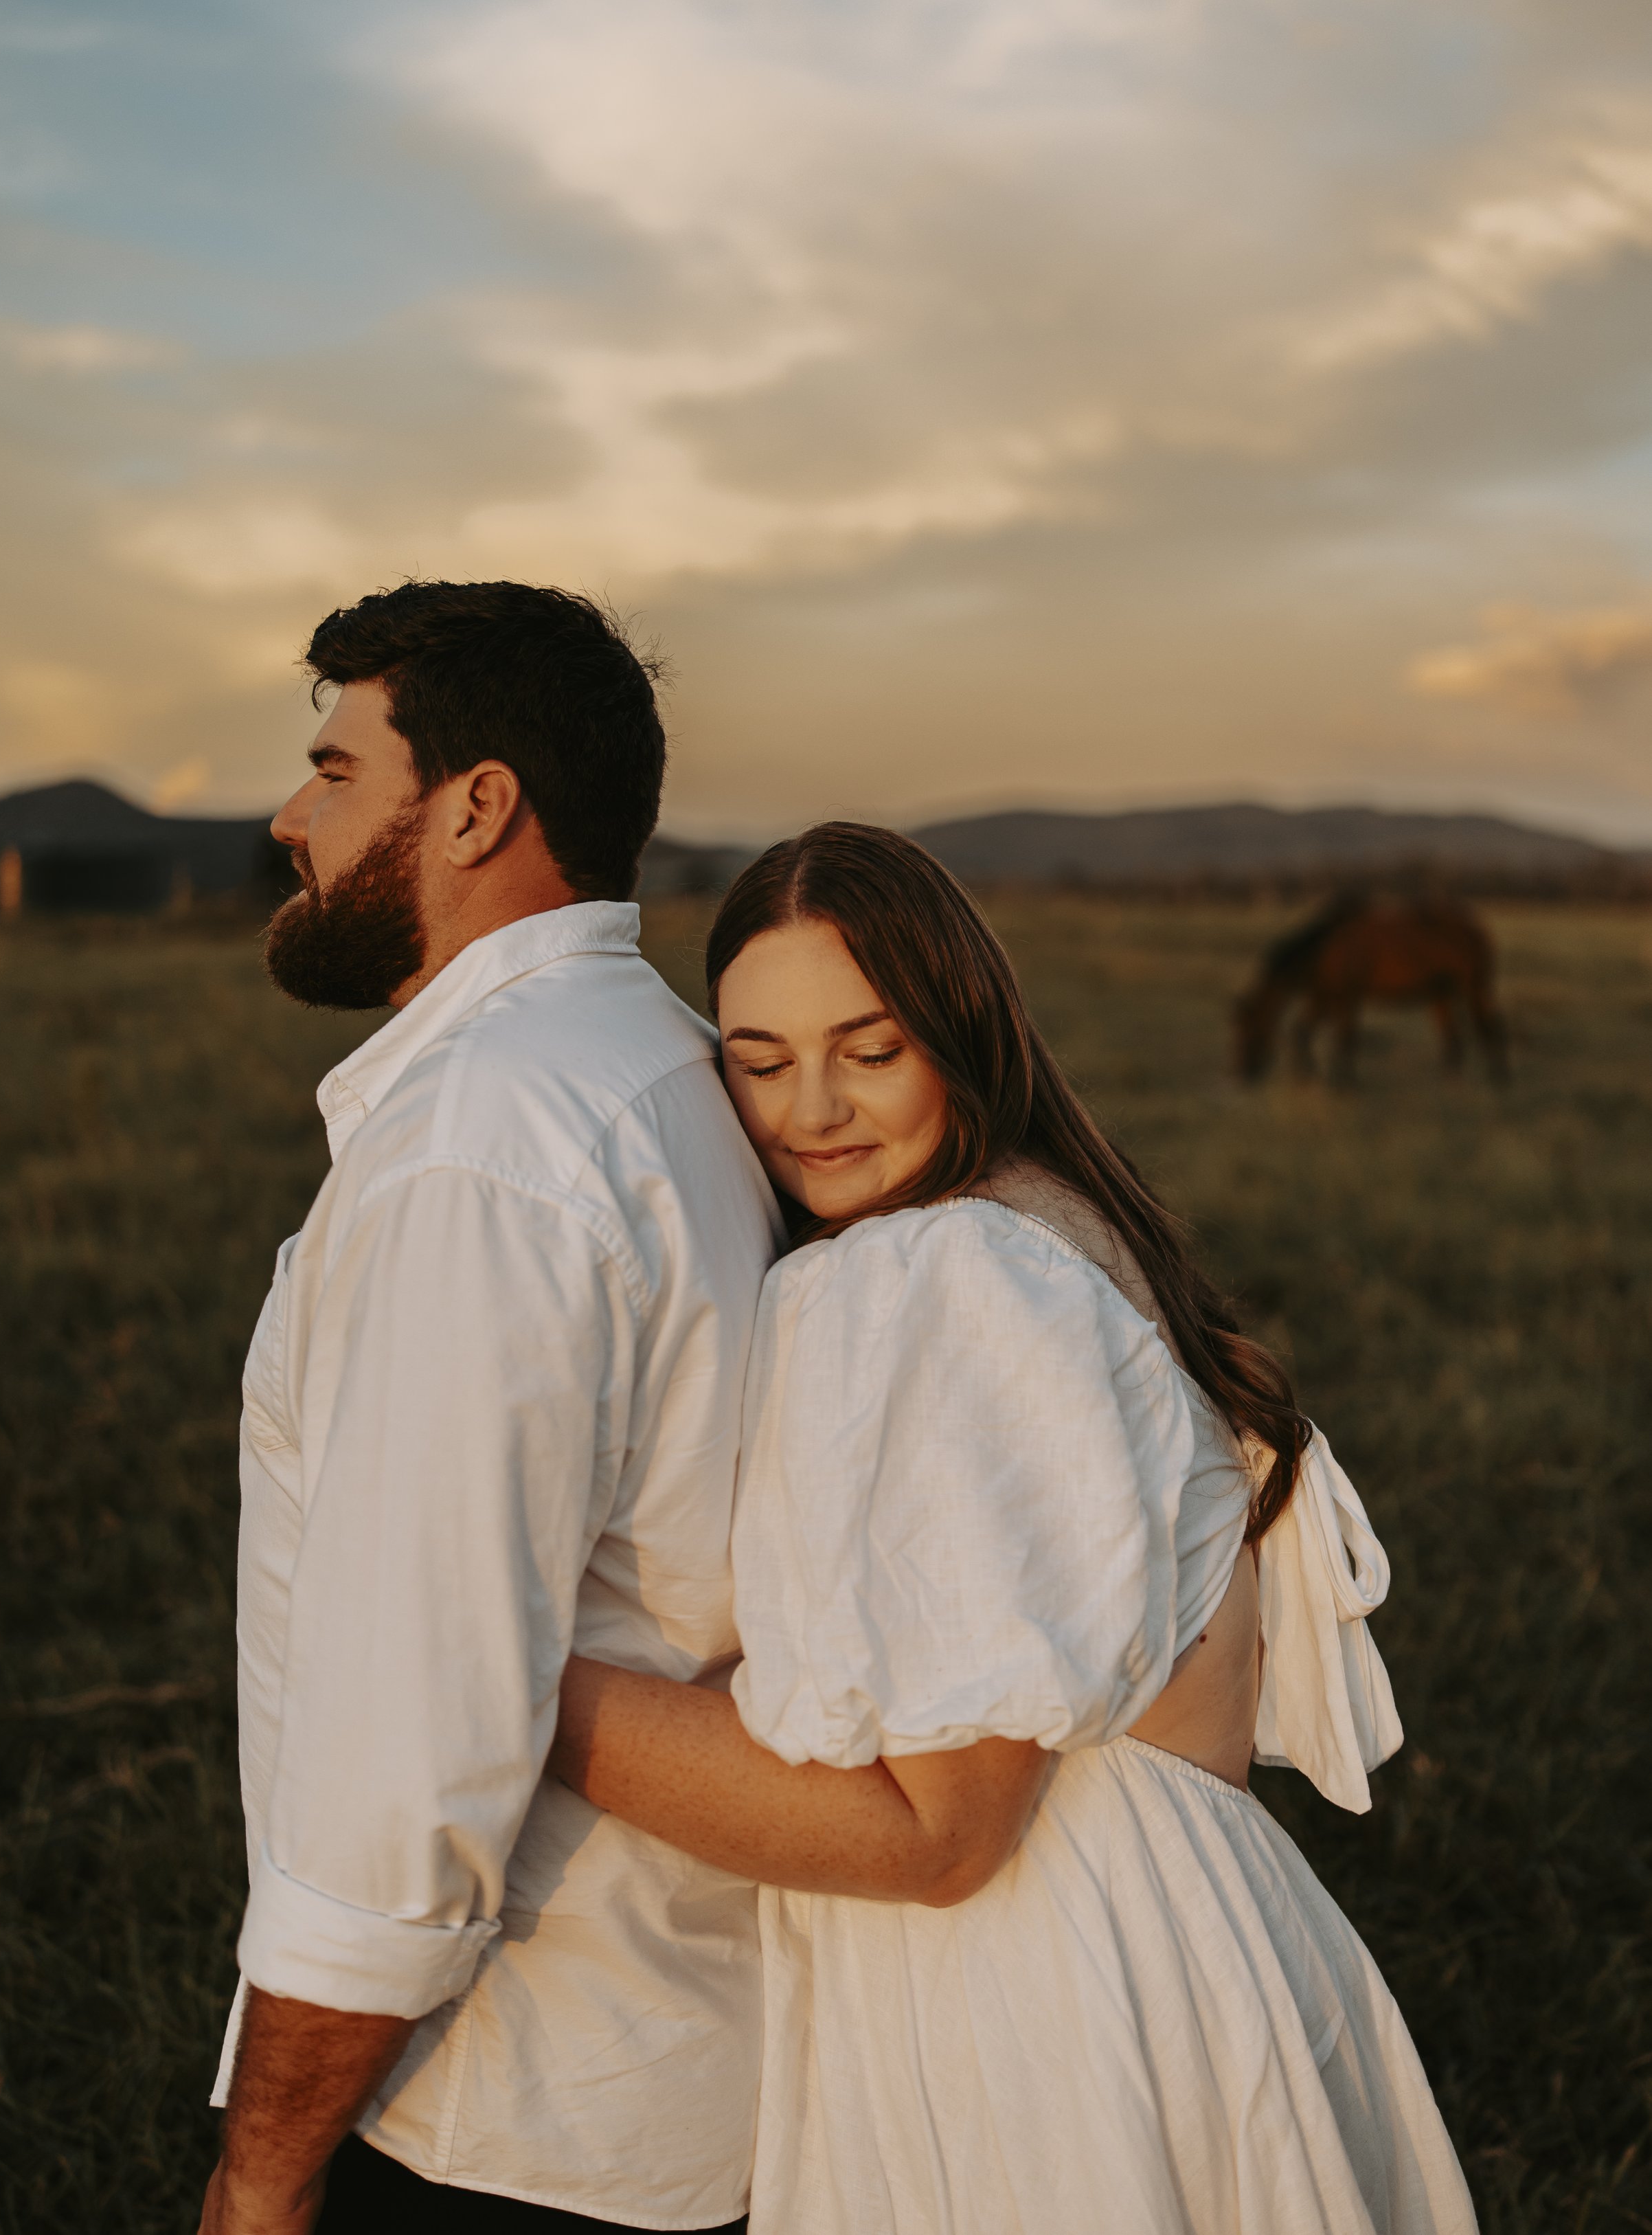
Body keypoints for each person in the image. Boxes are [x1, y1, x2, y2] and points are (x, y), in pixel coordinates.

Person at [552, 822, 1479, 2235]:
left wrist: (511, 1683)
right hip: (1188, 1932)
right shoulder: (1043, 1223)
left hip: (1038, 1994)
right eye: (757, 1062)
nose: (810, 1110)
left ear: (962, 1032)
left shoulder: (941, 1278)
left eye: (868, 1051)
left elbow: (939, 1836)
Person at [201, 582, 780, 2235]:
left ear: (473, 805)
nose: (287, 816)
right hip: (686, 2069)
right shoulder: (669, 1066)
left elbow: (411, 1754)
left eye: (333, 768)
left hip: (501, 2117)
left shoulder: (482, 1153)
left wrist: (262, 2172)